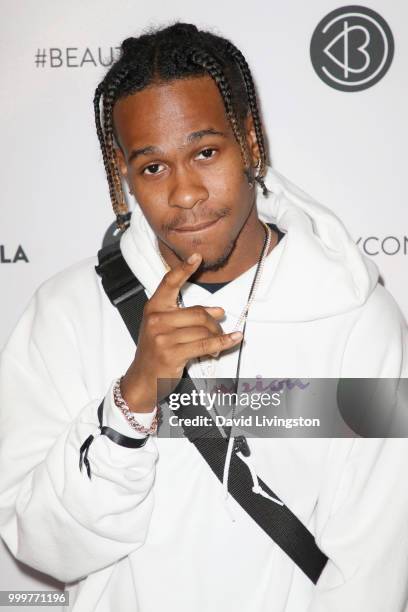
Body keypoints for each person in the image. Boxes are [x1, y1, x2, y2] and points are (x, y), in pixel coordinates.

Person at [0, 21, 407, 612]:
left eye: (206, 152)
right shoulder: (64, 314)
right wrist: (132, 399)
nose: (185, 192)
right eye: (153, 167)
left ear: (250, 139)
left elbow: (373, 567)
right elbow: (42, 547)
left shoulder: (356, 320)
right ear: (124, 172)